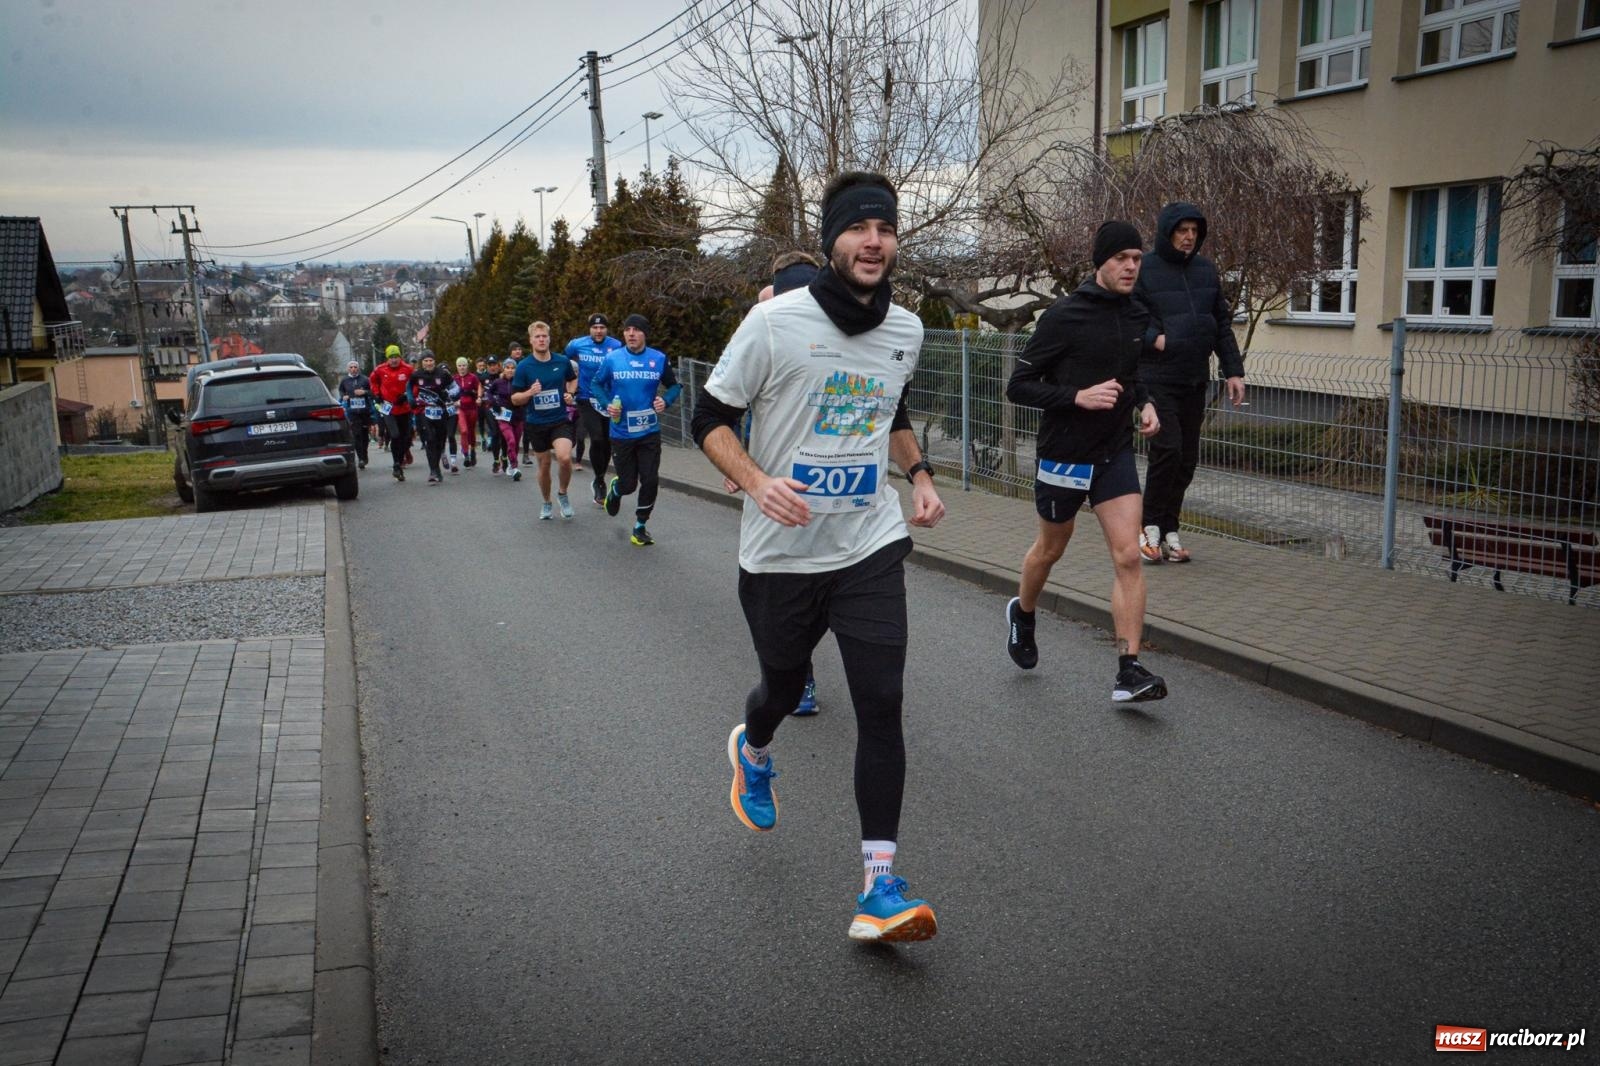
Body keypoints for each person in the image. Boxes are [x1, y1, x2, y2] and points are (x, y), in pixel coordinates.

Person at [691, 171, 946, 943]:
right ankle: (754, 746)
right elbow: (709, 416)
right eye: (859, 228)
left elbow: (892, 409)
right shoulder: (774, 325)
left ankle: (879, 887)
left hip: (868, 543)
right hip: (780, 556)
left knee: (882, 701)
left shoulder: (906, 329)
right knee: (780, 685)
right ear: (835, 238)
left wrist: (921, 476)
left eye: (887, 229)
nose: (875, 241)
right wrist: (757, 481)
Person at [1004, 220, 1167, 705]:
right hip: (1064, 454)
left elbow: (1132, 374)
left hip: (1113, 451)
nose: (1132, 267)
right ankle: (1024, 613)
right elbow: (1019, 385)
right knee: (1051, 549)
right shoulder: (1063, 316)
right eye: (1122, 259)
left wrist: (1147, 403)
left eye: (1138, 259)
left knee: (1128, 555)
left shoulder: (1137, 312)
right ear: (1101, 261)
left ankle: (1129, 669)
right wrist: (1077, 395)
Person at [1134, 201, 1246, 564]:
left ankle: (1169, 530)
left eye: (1194, 232)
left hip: (1194, 379)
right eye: (1182, 230)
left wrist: (1233, 370)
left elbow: (1222, 323)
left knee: (1187, 459)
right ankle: (1147, 528)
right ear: (1168, 232)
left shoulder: (1205, 271)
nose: (1189, 237)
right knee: (1167, 450)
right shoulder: (1146, 269)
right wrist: (1156, 338)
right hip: (1157, 379)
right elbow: (1131, 316)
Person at [594, 314, 680, 546]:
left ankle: (640, 525)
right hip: (621, 432)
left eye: (636, 330)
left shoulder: (658, 359)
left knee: (650, 479)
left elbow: (674, 386)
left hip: (649, 431)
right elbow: (596, 384)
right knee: (629, 484)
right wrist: (606, 404)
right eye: (627, 329)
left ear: (645, 334)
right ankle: (616, 489)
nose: (631, 334)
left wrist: (666, 400)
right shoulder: (613, 359)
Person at [511, 321, 579, 520]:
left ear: (549, 339)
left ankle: (563, 493)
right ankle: (547, 501)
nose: (541, 340)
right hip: (536, 422)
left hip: (559, 420)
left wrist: (570, 393)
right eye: (537, 337)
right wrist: (530, 393)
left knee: (565, 458)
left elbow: (573, 378)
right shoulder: (524, 367)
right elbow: (515, 399)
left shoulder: (562, 361)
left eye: (544, 336)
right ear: (531, 340)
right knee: (545, 465)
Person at [564, 313, 625, 507]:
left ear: (607, 329)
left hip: (609, 399)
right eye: (595, 328)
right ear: (589, 329)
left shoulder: (616, 345)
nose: (598, 331)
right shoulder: (576, 345)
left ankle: (600, 477)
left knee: (607, 441)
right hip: (586, 398)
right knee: (597, 437)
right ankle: (599, 481)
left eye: (602, 328)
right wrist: (569, 388)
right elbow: (564, 363)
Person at [368, 344, 415, 481]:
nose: (394, 360)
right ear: (387, 358)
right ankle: (396, 464)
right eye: (391, 357)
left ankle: (399, 462)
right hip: (388, 408)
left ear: (400, 357)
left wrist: (406, 395)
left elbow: (415, 385)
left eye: (396, 357)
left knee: (405, 438)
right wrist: (377, 394)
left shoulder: (408, 369)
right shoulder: (380, 370)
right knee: (395, 435)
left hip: (404, 408)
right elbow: (373, 382)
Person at [410, 351, 455, 484]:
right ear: (422, 362)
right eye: (426, 361)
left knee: (440, 441)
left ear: (434, 362)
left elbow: (456, 388)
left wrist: (448, 394)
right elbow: (408, 387)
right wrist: (411, 399)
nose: (429, 363)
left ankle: (437, 469)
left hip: (441, 412)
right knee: (430, 439)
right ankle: (433, 471)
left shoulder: (443, 374)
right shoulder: (416, 375)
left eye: (431, 361)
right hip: (425, 411)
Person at [484, 355, 522, 480]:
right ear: (504, 369)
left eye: (513, 368)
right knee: (510, 440)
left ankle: (511, 464)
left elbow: (526, 395)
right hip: (503, 417)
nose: (510, 370)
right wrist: (494, 404)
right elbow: (489, 392)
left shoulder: (520, 382)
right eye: (508, 368)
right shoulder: (498, 382)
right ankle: (515, 467)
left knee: (515, 444)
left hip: (518, 416)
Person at [337, 360, 373, 469]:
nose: (353, 369)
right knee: (356, 435)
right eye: (351, 367)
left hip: (364, 411)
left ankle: (365, 454)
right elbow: (341, 391)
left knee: (364, 435)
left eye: (355, 367)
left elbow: (373, 392)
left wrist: (365, 392)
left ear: (358, 368)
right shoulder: (344, 380)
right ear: (348, 369)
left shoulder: (365, 379)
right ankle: (361, 458)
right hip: (352, 412)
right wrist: (344, 396)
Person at [453, 358, 482, 469]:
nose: (462, 368)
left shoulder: (473, 377)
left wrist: (479, 397)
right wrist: (454, 401)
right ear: (457, 367)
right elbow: (449, 391)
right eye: (460, 366)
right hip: (461, 409)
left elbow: (479, 387)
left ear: (467, 366)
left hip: (472, 408)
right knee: (464, 431)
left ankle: (473, 449)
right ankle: (466, 455)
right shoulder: (454, 378)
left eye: (464, 365)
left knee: (471, 431)